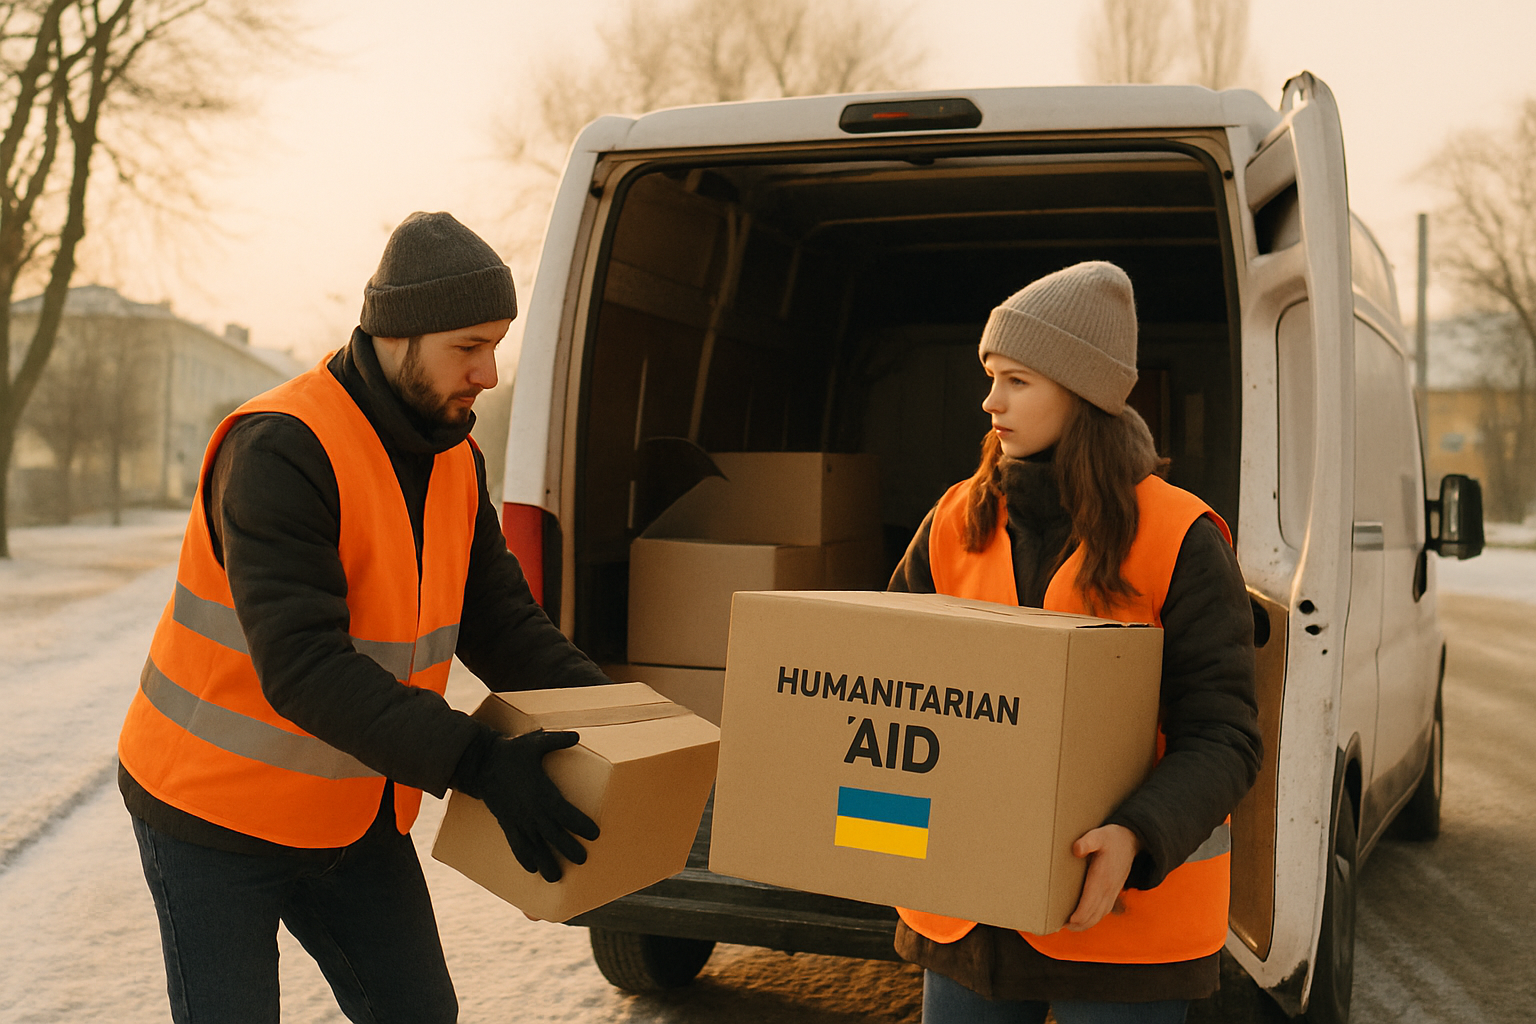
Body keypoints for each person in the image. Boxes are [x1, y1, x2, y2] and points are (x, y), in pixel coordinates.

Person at [117, 211, 614, 1024]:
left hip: (351, 809)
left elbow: (503, 625)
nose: (490, 373)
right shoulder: (282, 448)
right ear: (399, 336)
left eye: (497, 345)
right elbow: (305, 666)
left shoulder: (454, 456)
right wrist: (482, 762)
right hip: (210, 813)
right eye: (470, 347)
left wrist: (625, 727)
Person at [887, 261, 1262, 1024]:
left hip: (1125, 923)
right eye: (992, 375)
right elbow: (886, 687)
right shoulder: (955, 520)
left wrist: (1137, 834)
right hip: (966, 909)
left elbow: (1223, 736)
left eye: (1017, 379)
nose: (990, 400)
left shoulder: (1180, 537)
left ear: (1084, 393)